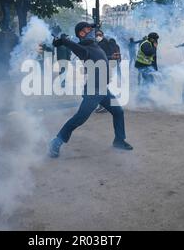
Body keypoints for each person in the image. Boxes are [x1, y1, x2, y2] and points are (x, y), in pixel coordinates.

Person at [48, 22, 132, 158]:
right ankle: (56, 142)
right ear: (81, 33)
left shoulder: (94, 46)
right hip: (94, 90)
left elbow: (99, 59)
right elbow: (72, 45)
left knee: (118, 112)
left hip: (103, 89)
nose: (93, 32)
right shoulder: (82, 48)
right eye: (89, 29)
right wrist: (63, 40)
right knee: (79, 118)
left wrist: (111, 57)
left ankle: (119, 140)